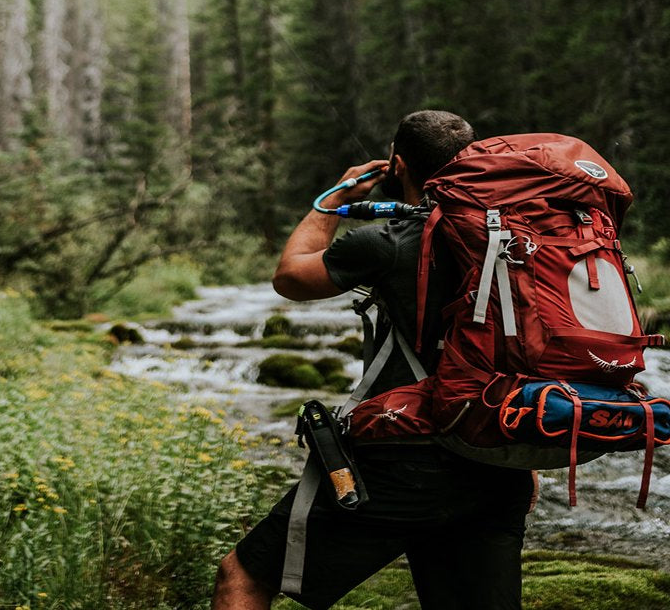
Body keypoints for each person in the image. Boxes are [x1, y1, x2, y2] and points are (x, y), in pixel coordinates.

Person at [211, 110, 534, 610]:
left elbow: (291, 277)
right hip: (499, 463)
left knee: (244, 577)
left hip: (405, 462)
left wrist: (335, 201)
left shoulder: (388, 240)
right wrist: (527, 463)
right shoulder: (513, 243)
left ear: (397, 165)